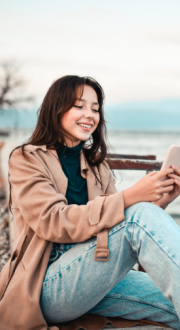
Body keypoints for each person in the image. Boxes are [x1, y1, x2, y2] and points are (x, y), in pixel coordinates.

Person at [0, 75, 180, 330]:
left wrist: (160, 201)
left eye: (95, 109)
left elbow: (118, 224)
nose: (90, 115)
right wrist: (134, 197)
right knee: (139, 214)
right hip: (45, 284)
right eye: (79, 106)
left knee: (174, 308)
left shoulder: (98, 166)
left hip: (96, 272)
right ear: (57, 109)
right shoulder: (26, 158)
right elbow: (53, 221)